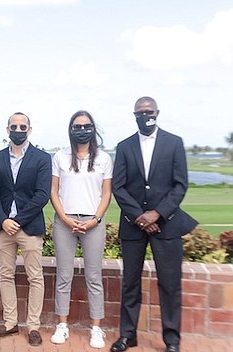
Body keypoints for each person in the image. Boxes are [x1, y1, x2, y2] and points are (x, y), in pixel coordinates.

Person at [110, 97, 197, 352]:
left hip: (167, 224)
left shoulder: (174, 143)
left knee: (170, 284)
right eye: (140, 112)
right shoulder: (124, 146)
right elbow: (119, 186)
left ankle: (172, 340)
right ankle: (128, 335)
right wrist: (140, 216)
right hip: (133, 224)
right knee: (130, 283)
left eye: (148, 112)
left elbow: (180, 184)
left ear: (157, 113)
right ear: (134, 115)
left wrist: (157, 213)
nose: (145, 115)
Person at [49, 110, 113, 349]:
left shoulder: (104, 159)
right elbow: (54, 191)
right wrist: (64, 218)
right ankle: (62, 324)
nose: (82, 129)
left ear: (93, 129)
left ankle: (96, 328)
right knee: (64, 276)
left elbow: (106, 193)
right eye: (77, 126)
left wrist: (95, 219)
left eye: (86, 126)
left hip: (93, 223)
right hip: (65, 222)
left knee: (94, 277)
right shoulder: (60, 157)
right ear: (71, 129)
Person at [0, 112, 51, 346]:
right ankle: (10, 323)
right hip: (3, 227)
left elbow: (42, 194)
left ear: (30, 130)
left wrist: (18, 220)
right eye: (14, 126)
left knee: (35, 277)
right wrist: (3, 219)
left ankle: (33, 326)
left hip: (29, 226)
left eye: (23, 126)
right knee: (6, 275)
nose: (18, 129)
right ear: (7, 130)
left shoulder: (42, 158)